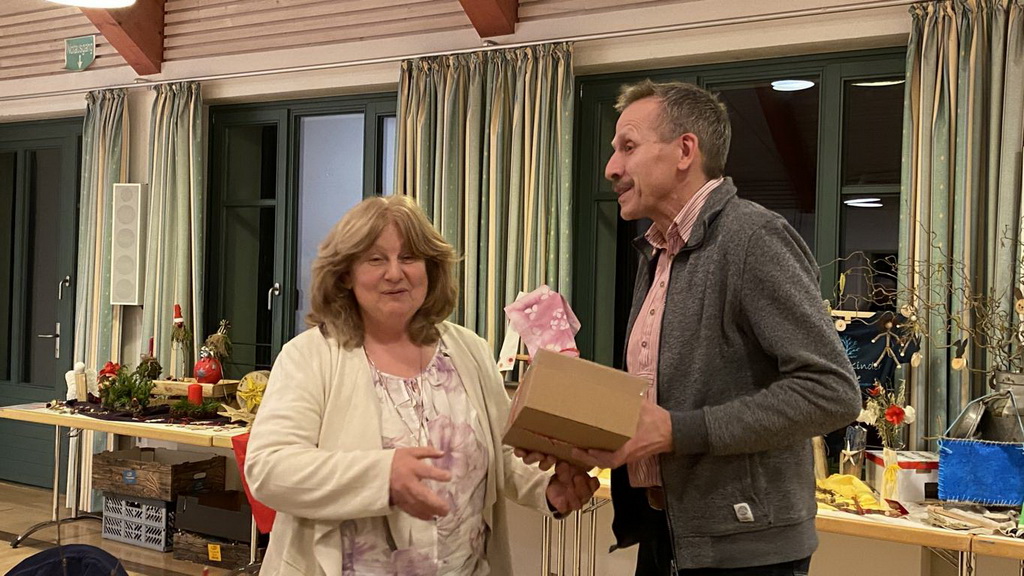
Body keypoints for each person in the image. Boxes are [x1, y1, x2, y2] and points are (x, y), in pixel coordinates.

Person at [522, 80, 861, 575]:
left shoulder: (753, 239)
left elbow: (832, 392)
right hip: (667, 534)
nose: (611, 168)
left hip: (744, 553)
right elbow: (660, 408)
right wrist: (573, 438)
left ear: (685, 151)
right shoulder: (656, 253)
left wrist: (678, 431)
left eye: (628, 147)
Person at [245, 195, 598, 576]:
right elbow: (269, 469)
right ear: (345, 274)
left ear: (430, 267)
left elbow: (502, 454)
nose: (395, 273)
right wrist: (383, 476)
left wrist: (547, 489)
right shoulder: (309, 356)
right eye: (375, 259)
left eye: (409, 257)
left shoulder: (469, 350)